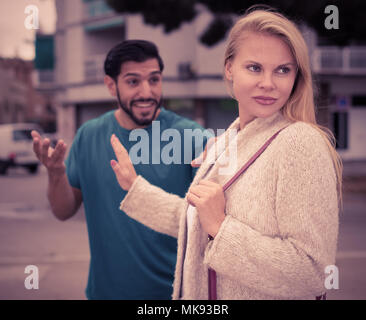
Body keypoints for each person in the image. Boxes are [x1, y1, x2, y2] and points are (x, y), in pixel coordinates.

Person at [110, 7, 342, 300]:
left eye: (283, 70)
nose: (268, 83)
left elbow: (312, 273)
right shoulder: (227, 141)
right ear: (229, 69)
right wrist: (136, 189)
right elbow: (196, 224)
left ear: (296, 76)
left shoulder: (300, 143)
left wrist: (221, 227)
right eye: (255, 68)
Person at [31, 40, 210, 299]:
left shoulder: (193, 138)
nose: (147, 92)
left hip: (174, 297)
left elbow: (213, 226)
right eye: (133, 81)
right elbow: (62, 210)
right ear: (110, 85)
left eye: (154, 80)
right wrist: (56, 174)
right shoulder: (88, 136)